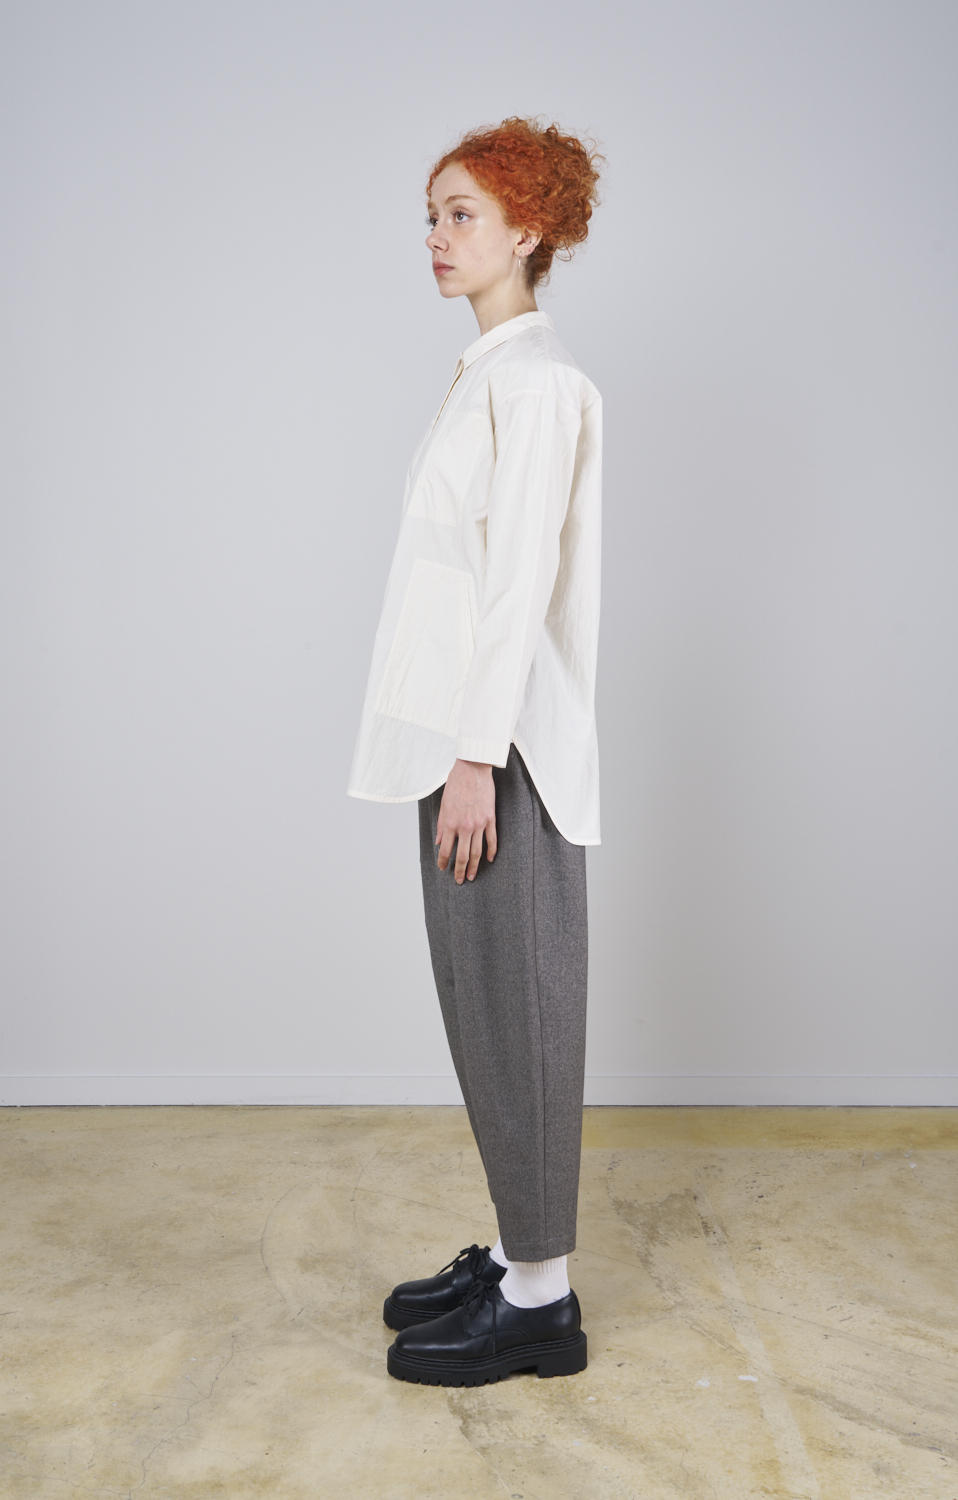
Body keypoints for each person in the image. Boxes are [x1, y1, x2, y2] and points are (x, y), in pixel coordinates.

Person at [348, 117, 603, 1387]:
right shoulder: (488, 372)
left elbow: (516, 590)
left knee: (522, 1010)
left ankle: (541, 1303)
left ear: (529, 228)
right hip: (460, 738)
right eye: (432, 216)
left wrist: (473, 758)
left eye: (462, 215)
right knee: (482, 1010)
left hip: (497, 753)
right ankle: (514, 1256)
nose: (436, 238)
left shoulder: (538, 383)